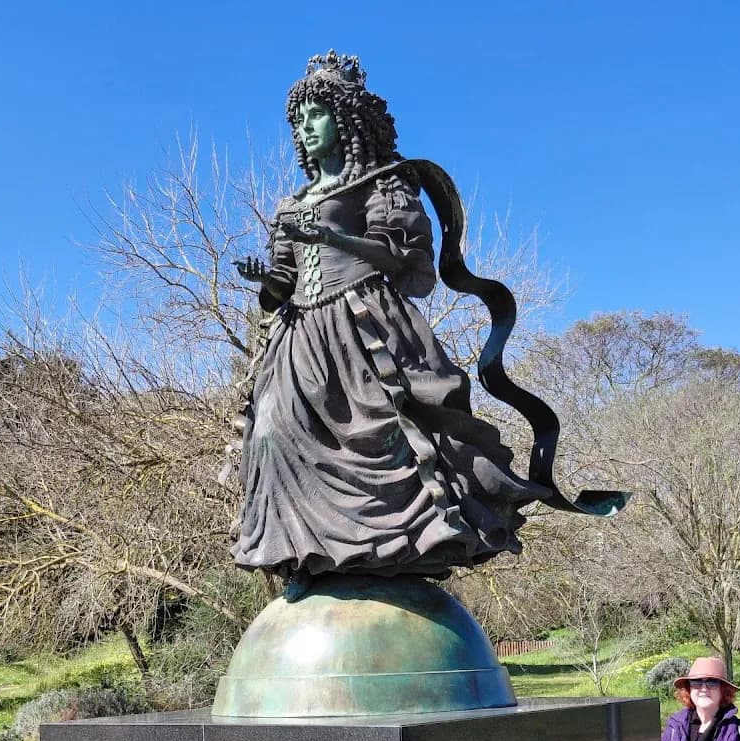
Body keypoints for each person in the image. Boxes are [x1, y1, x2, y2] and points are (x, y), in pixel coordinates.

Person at [230, 50, 552, 600]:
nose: (305, 129)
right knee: (272, 434)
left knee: (384, 432)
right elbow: (279, 286)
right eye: (298, 120)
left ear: (347, 121)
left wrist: (332, 238)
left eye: (316, 115)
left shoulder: (385, 183)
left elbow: (404, 259)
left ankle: (395, 554)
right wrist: (265, 278)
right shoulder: (292, 203)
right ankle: (305, 553)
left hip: (363, 328)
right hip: (298, 336)